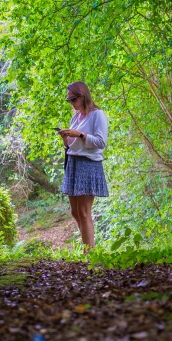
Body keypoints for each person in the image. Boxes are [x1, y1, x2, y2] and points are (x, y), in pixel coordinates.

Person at [58, 81, 108, 249]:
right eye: (69, 100)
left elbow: (101, 142)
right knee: (75, 211)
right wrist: (66, 137)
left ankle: (90, 255)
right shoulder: (76, 117)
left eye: (74, 99)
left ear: (83, 96)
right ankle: (89, 247)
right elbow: (70, 146)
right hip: (73, 163)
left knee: (84, 211)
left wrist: (79, 134)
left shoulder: (97, 115)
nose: (72, 103)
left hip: (88, 163)